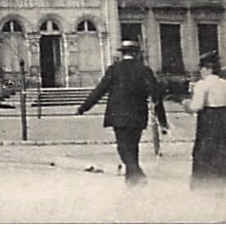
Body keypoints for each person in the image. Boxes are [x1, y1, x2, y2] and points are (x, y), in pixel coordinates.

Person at [77, 40, 167, 186]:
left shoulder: (114, 69)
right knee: (133, 147)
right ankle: (132, 182)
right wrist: (162, 121)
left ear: (123, 53)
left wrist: (83, 107)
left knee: (123, 148)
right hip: (138, 115)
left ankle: (137, 176)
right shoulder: (145, 70)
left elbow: (99, 91)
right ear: (137, 53)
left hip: (118, 115)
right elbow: (156, 96)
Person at [182, 50, 226, 187]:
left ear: (207, 68)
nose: (200, 71)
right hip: (223, 118)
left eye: (201, 68)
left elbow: (196, 106)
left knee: (205, 152)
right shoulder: (224, 83)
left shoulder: (202, 84)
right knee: (222, 150)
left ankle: (204, 184)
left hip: (208, 120)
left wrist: (185, 104)